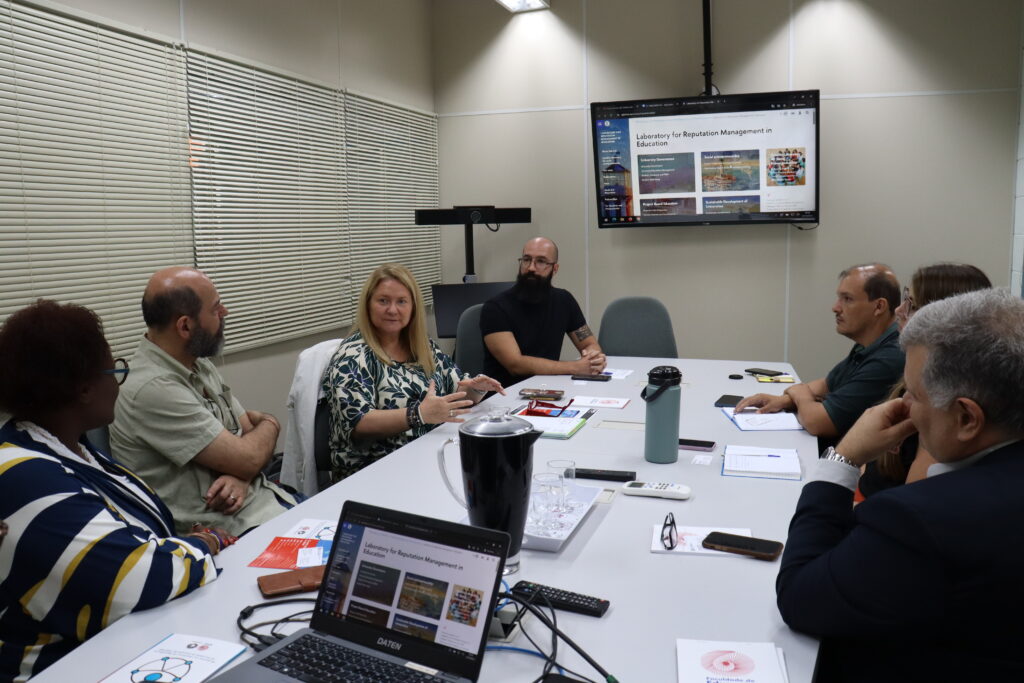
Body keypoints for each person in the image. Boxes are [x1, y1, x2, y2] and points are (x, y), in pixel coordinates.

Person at [776, 288, 1024, 682]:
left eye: (915, 394)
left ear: (966, 419)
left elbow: (800, 598)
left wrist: (843, 458)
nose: (903, 403)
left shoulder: (922, 520)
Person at [0, 300, 225, 682]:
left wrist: (177, 547)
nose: (118, 383)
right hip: (64, 668)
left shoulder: (71, 448)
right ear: (85, 388)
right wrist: (208, 542)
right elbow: (136, 579)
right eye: (114, 371)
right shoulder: (20, 475)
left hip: (129, 640)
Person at [111, 267, 298, 535]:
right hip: (228, 533)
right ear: (185, 326)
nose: (225, 313)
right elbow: (250, 455)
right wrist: (271, 422)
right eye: (215, 308)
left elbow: (247, 439)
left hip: (266, 502)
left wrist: (243, 475)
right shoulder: (153, 389)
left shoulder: (197, 363)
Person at [322, 264, 504, 481]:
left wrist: (477, 388)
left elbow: (458, 392)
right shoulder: (353, 355)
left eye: (401, 301)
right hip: (374, 473)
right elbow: (359, 422)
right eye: (383, 301)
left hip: (426, 460)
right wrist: (418, 414)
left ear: (413, 307)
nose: (392, 310)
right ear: (368, 305)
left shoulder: (422, 347)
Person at [857, 263, 991, 498]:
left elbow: (909, 504)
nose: (899, 310)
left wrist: (841, 460)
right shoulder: (916, 380)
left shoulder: (944, 400)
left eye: (911, 304)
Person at [736, 263, 903, 442]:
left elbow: (818, 422)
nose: (835, 308)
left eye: (847, 299)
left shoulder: (889, 357)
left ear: (879, 306)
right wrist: (784, 400)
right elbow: (827, 384)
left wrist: (800, 395)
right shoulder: (869, 344)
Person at [481, 237, 606, 388]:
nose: (531, 268)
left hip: (548, 389)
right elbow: (515, 364)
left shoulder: (564, 300)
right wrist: (576, 367)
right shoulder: (495, 308)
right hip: (504, 394)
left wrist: (593, 358)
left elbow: (589, 343)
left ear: (555, 269)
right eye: (526, 260)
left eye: (541, 261)